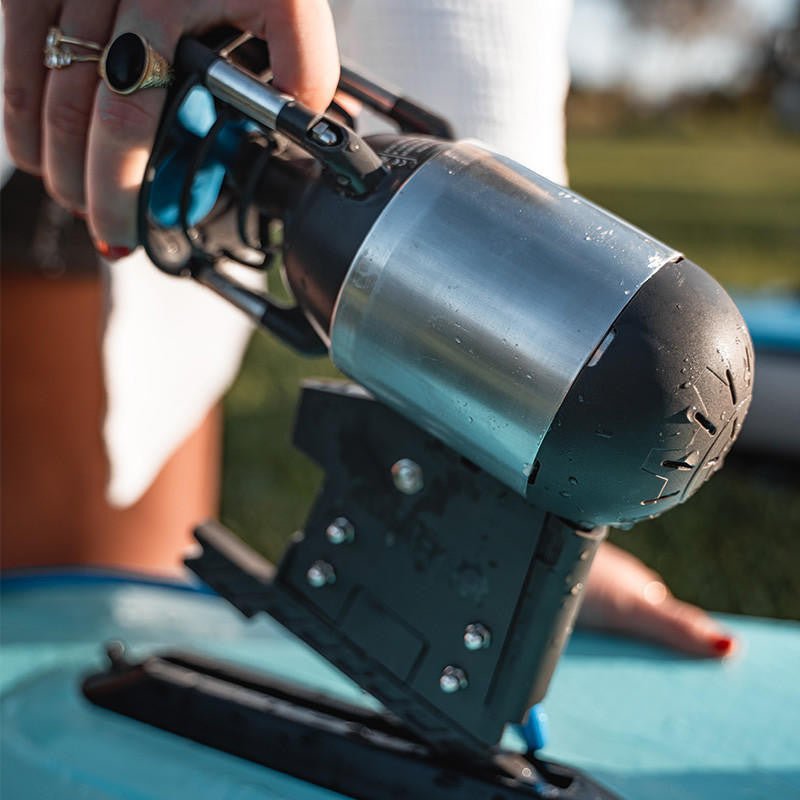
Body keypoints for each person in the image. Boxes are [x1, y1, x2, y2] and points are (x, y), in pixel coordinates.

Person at [1, 0, 734, 659]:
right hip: (72, 92)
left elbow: (471, 32)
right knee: (64, 634)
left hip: (145, 128)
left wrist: (513, 516)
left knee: (102, 635)